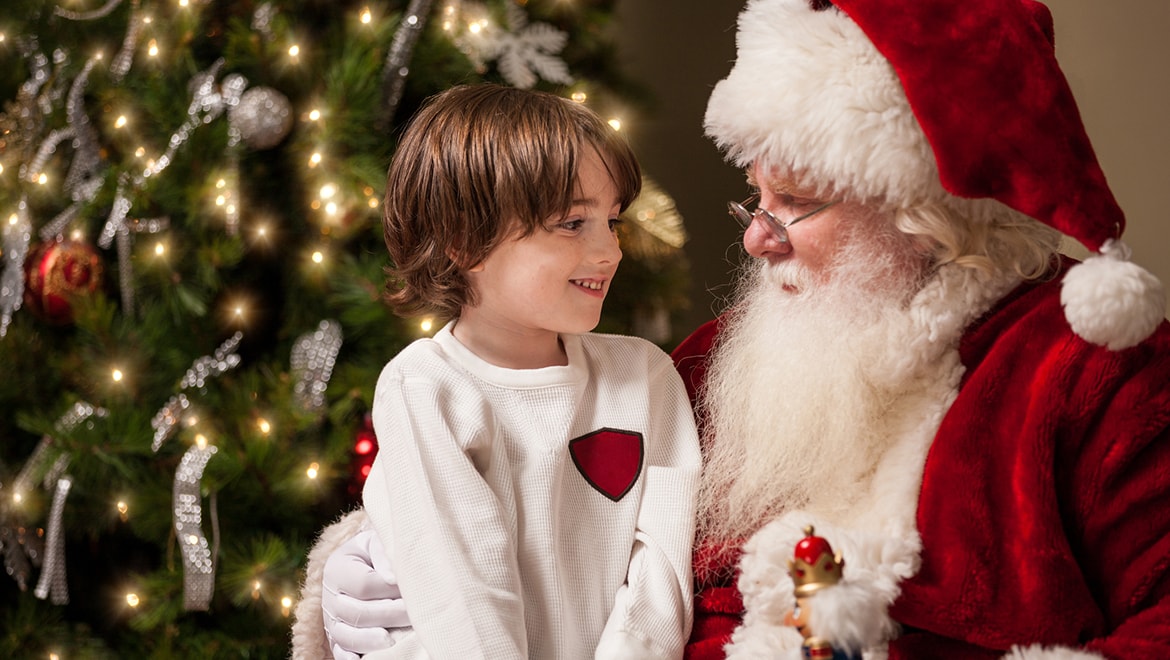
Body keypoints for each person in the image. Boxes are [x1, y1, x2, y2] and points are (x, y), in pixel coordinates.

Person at [296, 0, 1170, 658]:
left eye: (798, 203)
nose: (757, 234)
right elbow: (539, 523)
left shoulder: (1092, 370)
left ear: (926, 209)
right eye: (757, 197)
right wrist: (368, 563)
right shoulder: (713, 363)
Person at [290, 83, 702, 659]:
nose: (610, 250)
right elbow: (464, 602)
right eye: (572, 223)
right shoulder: (426, 390)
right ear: (466, 238)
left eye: (612, 221)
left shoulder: (646, 377)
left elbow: (661, 574)